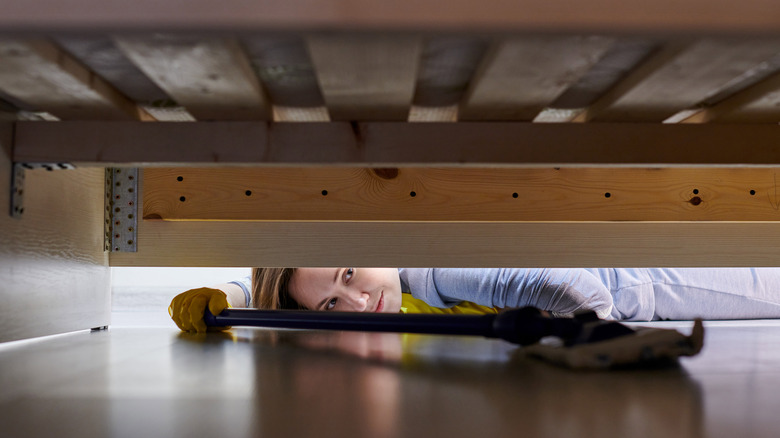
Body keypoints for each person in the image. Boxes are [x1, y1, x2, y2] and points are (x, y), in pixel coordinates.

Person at [169, 267, 780, 333]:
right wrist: (225, 296)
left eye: (350, 273)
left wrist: (587, 331)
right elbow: (269, 289)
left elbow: (579, 292)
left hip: (661, 283)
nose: (357, 302)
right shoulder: (396, 300)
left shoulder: (430, 270)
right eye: (332, 305)